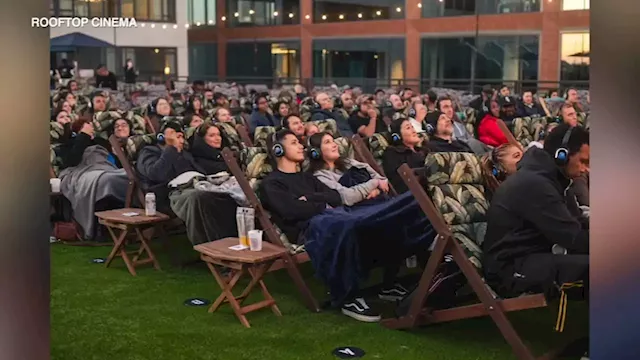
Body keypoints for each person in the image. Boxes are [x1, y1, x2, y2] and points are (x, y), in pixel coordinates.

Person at [483, 123, 589, 304]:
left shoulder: (554, 180)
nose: (586, 169)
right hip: (510, 269)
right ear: (561, 155)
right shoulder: (535, 184)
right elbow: (572, 237)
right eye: (583, 161)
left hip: (536, 256)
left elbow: (579, 223)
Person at [136, 122, 238, 245]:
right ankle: (209, 246)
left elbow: (200, 172)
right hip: (168, 194)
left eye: (179, 136)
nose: (177, 139)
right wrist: (171, 149)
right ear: (161, 137)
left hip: (196, 185)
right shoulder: (149, 152)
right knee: (199, 197)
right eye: (172, 135)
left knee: (227, 194)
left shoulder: (185, 154)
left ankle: (231, 241)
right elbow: (156, 174)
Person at [308, 132, 389, 206]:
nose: (335, 145)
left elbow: (381, 179)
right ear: (316, 152)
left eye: (333, 141)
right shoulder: (320, 176)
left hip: (379, 200)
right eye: (327, 142)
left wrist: (376, 191)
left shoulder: (348, 162)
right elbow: (347, 197)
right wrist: (375, 183)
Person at [382, 118, 429, 194]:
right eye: (408, 128)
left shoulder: (424, 150)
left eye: (412, 127)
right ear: (397, 136)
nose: (414, 131)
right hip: (418, 193)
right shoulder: (392, 153)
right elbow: (399, 183)